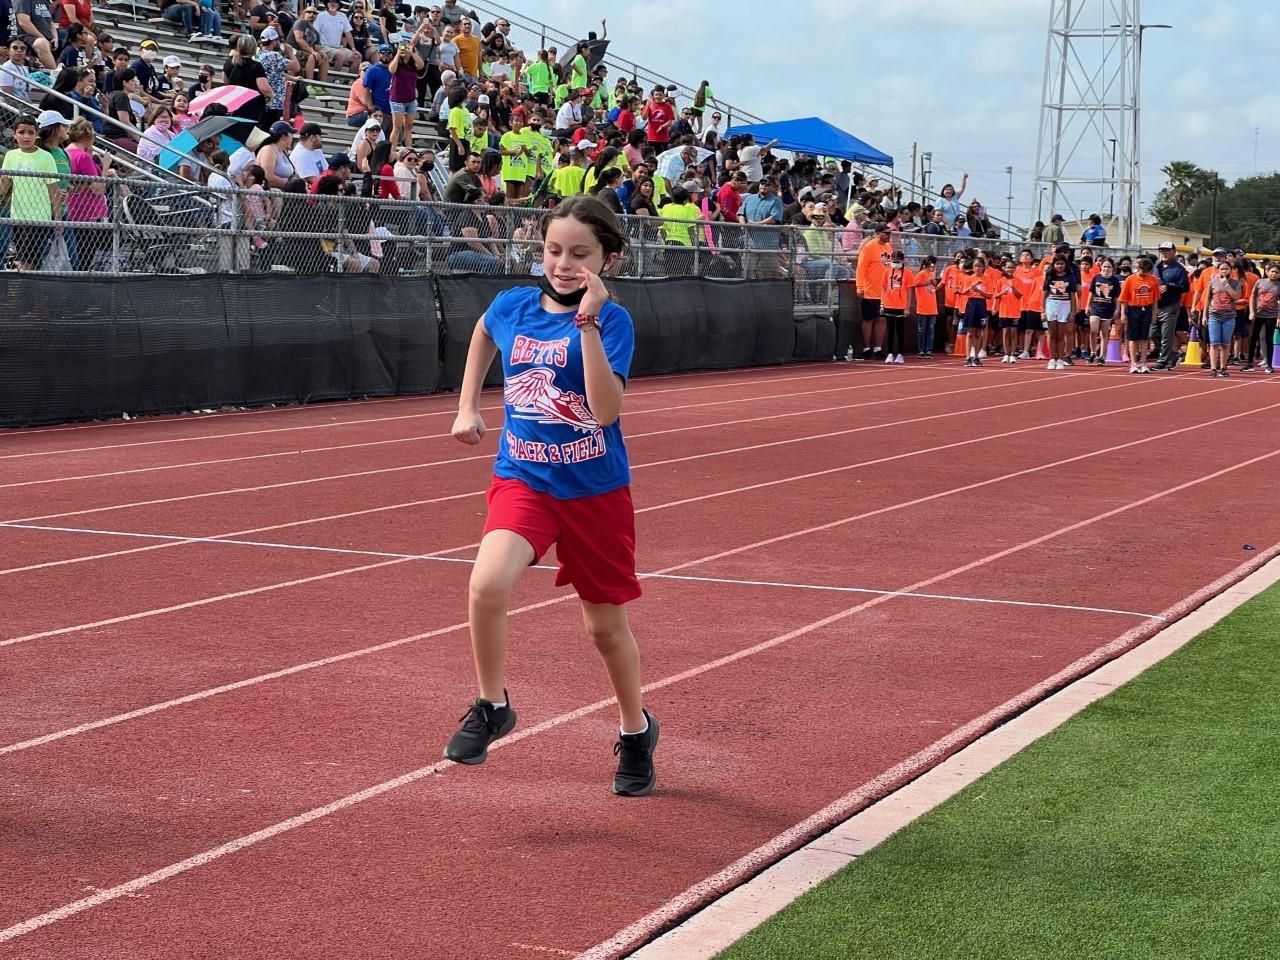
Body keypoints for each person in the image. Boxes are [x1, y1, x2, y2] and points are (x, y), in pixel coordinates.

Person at [442, 195, 657, 795]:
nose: (562, 264)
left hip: (594, 492)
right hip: (526, 478)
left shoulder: (613, 322)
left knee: (604, 629)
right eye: (553, 250)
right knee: (486, 583)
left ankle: (635, 730)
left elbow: (604, 409)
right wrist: (467, 406)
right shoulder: (513, 305)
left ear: (606, 260)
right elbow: (483, 333)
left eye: (579, 254)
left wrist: (586, 322)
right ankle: (492, 704)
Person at [0, 114, 60, 270]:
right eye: (22, 132)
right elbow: (5, 184)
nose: (26, 136)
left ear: (36, 134)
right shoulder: (11, 156)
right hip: (17, 216)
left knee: (26, 260)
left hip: (39, 218)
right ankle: (25, 291)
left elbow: (54, 189)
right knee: (25, 258)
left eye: (30, 132)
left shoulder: (46, 157)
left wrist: (58, 218)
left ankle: (17, 293)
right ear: (14, 134)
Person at [65, 116, 112, 269]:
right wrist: (105, 167)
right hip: (86, 213)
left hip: (71, 209)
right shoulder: (82, 157)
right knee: (84, 259)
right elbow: (98, 189)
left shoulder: (66, 153)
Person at [855, 223, 892, 359]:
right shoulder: (869, 247)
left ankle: (878, 348)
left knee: (882, 320)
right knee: (869, 319)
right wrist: (860, 287)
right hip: (870, 289)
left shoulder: (889, 247)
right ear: (878, 233)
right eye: (886, 233)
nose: (889, 236)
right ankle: (866, 348)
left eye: (890, 233)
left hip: (884, 291)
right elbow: (861, 268)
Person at [1118, 254, 1159, 374]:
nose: (1144, 274)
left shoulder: (1153, 280)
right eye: (1142, 271)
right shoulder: (1130, 279)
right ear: (1138, 267)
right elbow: (1124, 298)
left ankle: (1143, 363)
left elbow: (1155, 298)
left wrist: (1154, 313)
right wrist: (1122, 314)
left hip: (1147, 309)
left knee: (1145, 337)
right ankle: (1133, 363)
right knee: (1132, 337)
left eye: (1147, 272)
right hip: (1133, 309)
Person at [1152, 240, 1189, 370]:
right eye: (1162, 250)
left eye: (1167, 250)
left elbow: (1185, 287)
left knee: (1167, 334)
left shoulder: (1179, 269)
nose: (1164, 253)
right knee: (1153, 332)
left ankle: (1163, 361)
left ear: (1173, 252)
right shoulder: (1156, 267)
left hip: (1170, 305)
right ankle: (1173, 355)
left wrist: (1169, 286)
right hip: (1156, 305)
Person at [1040, 255, 1078, 370]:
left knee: (1061, 334)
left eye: (1062, 264)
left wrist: (1072, 312)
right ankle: (1052, 359)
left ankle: (1060, 359)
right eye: (1057, 264)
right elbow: (1044, 294)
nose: (1059, 266)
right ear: (1053, 265)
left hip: (1064, 305)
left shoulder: (1070, 277)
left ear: (1065, 265)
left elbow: (1072, 296)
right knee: (1052, 334)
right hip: (1051, 304)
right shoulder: (1050, 276)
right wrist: (1043, 311)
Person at [1086, 257, 1121, 365]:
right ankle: (1092, 352)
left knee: (1104, 332)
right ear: (1101, 266)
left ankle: (1102, 356)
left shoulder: (1114, 280)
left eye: (1109, 267)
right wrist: (1088, 305)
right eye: (1105, 266)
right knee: (1093, 330)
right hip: (1096, 307)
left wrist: (1117, 310)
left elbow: (1116, 297)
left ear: (1112, 268)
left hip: (1108, 308)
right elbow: (1091, 293)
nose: (1106, 269)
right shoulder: (1096, 277)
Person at [1246, 262, 1279, 375]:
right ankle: (1249, 363)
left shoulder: (1278, 286)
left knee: (1268, 339)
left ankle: (1269, 365)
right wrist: (1252, 311)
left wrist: (1278, 317)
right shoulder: (1260, 282)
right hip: (1258, 314)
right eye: (1272, 271)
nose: (1274, 274)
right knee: (1253, 338)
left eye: (1277, 272)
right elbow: (1253, 296)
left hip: (1271, 315)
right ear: (1267, 272)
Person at [878, 250, 912, 362]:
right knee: (890, 330)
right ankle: (890, 353)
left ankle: (900, 354)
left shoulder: (907, 273)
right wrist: (882, 304)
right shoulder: (887, 272)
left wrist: (907, 307)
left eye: (897, 261)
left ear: (902, 261)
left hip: (901, 305)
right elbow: (883, 288)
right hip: (889, 304)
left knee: (900, 330)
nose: (895, 263)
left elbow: (909, 291)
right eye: (893, 261)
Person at [911, 255, 940, 357]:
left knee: (930, 330)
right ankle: (921, 350)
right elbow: (912, 283)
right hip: (923, 307)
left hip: (932, 307)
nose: (932, 268)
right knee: (922, 330)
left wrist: (933, 282)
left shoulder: (932, 274)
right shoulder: (921, 274)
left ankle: (928, 350)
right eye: (930, 265)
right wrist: (925, 283)